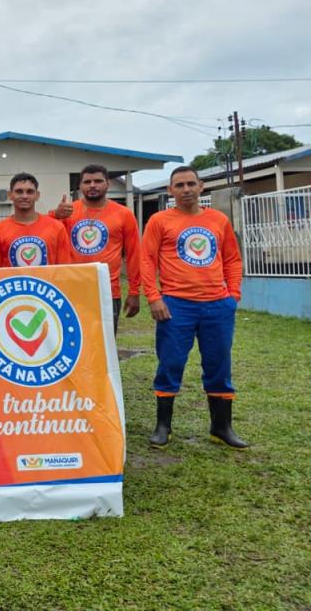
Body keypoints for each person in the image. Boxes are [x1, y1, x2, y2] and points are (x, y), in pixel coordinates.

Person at [142, 166, 247, 450]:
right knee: (170, 363)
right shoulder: (159, 221)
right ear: (170, 190)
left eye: (191, 184)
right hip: (176, 305)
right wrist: (153, 297)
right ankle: (163, 426)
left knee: (219, 364)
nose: (186, 189)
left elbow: (232, 259)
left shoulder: (218, 219)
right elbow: (147, 260)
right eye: (179, 185)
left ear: (201, 186)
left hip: (218, 306)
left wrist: (233, 295)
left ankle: (221, 427)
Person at [51, 164, 141, 332]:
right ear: (80, 186)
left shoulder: (124, 214)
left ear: (108, 183)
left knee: (105, 341)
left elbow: (134, 254)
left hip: (107, 291)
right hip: (72, 290)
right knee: (74, 340)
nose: (92, 185)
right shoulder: (67, 211)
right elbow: (42, 231)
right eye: (87, 182)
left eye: (98, 181)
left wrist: (134, 291)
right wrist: (55, 215)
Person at [0, 173, 71, 267]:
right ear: (10, 195)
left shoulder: (57, 228)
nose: (24, 196)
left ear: (37, 195)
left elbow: (64, 269)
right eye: (19, 191)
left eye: (29, 191)